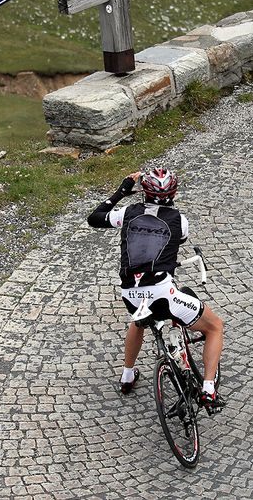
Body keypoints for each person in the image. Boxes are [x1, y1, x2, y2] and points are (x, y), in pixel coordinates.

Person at [87, 168, 225, 407]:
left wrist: (121, 191)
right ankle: (208, 390)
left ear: (143, 192)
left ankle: (127, 376)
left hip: (130, 293)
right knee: (215, 327)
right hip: (162, 293)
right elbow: (177, 241)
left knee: (138, 321)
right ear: (174, 192)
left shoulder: (128, 213)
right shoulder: (179, 220)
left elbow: (95, 218)